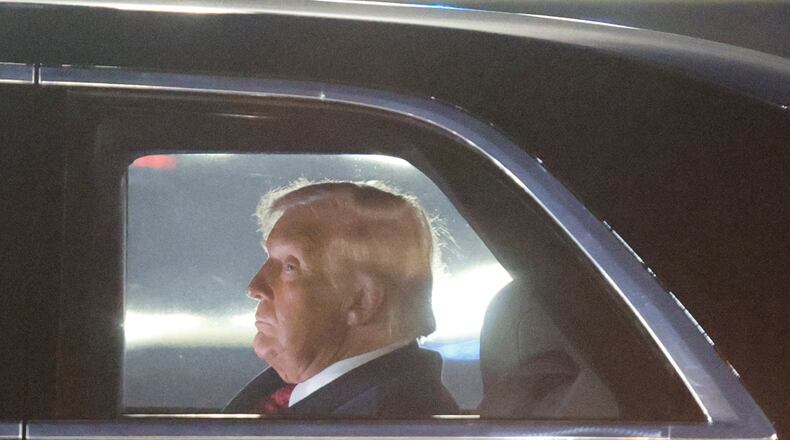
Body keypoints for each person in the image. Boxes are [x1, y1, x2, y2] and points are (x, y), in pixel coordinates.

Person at [224, 180, 458, 417]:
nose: (255, 287)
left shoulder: (384, 425)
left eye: (290, 266)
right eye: (269, 259)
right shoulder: (375, 406)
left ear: (362, 301)